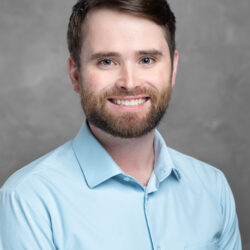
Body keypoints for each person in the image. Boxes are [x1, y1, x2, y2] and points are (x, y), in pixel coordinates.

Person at [0, 0, 242, 249]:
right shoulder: (28, 200)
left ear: (173, 69)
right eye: (107, 61)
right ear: (75, 75)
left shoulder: (213, 188)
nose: (129, 83)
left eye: (147, 60)